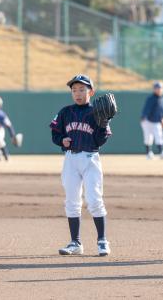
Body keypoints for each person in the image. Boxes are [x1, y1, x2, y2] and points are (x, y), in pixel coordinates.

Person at [50, 74, 112, 256]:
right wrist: (62, 140)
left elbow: (100, 141)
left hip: (90, 158)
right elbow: (55, 134)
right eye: (74, 90)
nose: (77, 93)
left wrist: (104, 123)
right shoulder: (65, 112)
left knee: (94, 200)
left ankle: (102, 241)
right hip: (70, 159)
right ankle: (75, 242)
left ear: (91, 92)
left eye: (82, 89)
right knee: (71, 201)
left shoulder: (97, 112)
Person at [141, 81, 163, 159]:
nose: (159, 90)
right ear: (154, 89)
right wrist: (144, 117)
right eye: (157, 88)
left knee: (159, 136)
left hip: (157, 121)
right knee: (148, 138)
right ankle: (148, 153)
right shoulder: (151, 98)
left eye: (160, 88)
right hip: (147, 121)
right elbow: (146, 109)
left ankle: (162, 152)